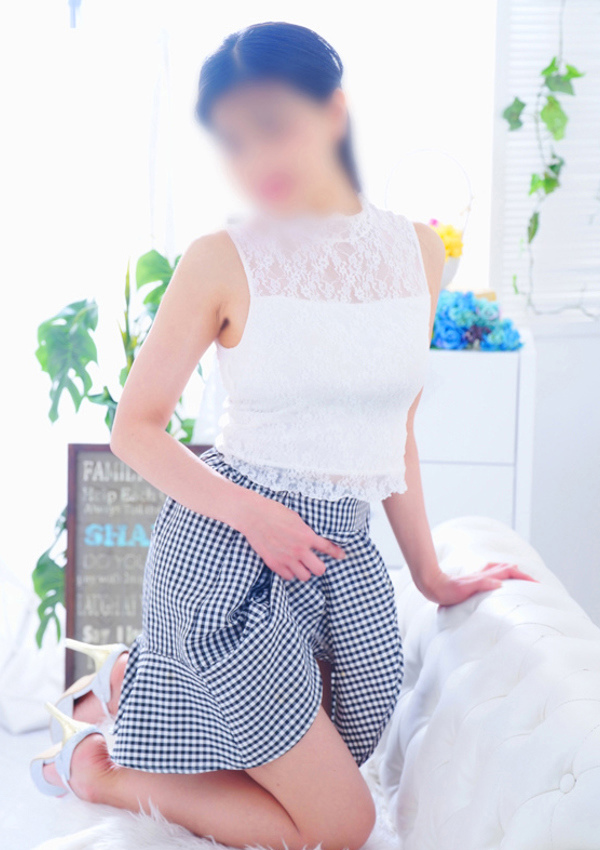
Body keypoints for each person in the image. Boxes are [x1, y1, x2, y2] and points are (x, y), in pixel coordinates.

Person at [30, 21, 536, 850]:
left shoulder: (419, 252)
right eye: (233, 139)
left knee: (338, 747)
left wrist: (431, 575)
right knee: (339, 823)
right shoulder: (222, 258)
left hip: (338, 564)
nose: (254, 156)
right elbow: (135, 429)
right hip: (227, 563)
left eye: (272, 123)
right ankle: (95, 767)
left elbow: (397, 434)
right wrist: (257, 518)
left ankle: (126, 676)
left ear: (333, 110)